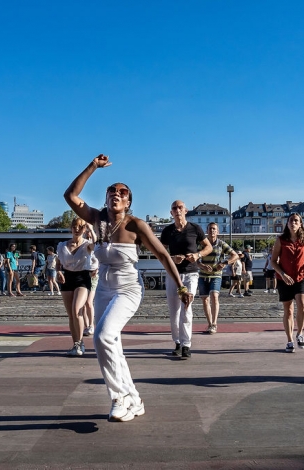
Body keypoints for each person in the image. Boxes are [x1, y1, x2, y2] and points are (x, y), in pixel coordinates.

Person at [64, 154, 193, 422]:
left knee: (102, 335)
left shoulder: (136, 225)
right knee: (109, 344)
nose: (117, 193)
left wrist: (181, 288)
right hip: (104, 288)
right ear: (106, 197)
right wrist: (93, 166)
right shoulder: (97, 219)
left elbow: (163, 256)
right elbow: (71, 196)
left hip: (128, 288)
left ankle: (119, 397)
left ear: (128, 202)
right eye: (112, 190)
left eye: (123, 192)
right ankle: (134, 399)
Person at [161, 200, 213, 359]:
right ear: (171, 213)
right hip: (173, 274)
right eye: (174, 208)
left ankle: (186, 344)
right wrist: (172, 258)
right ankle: (177, 342)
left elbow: (208, 247)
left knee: (186, 308)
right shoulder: (167, 231)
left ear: (185, 210)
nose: (177, 210)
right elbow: (160, 252)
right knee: (174, 311)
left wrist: (197, 255)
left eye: (180, 207)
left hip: (191, 273)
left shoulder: (194, 229)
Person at [270, 213, 304, 353]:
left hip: (301, 276)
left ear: (300, 224)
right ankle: (290, 340)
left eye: (296, 221)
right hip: (284, 279)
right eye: (291, 221)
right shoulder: (280, 240)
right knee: (288, 310)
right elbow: (273, 261)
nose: (293, 223)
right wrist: (282, 274)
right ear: (287, 223)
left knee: (302, 304)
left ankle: (300, 333)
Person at [56, 217, 94, 356]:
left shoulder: (87, 244)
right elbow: (58, 263)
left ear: (84, 229)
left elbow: (97, 245)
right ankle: (76, 343)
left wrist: (91, 229)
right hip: (67, 278)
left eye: (80, 227)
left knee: (77, 309)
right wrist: (58, 271)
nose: (77, 229)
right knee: (71, 315)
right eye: (74, 227)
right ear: (71, 228)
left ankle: (81, 343)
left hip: (82, 278)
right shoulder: (62, 245)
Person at [197, 222, 238, 334]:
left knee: (214, 296)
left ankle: (214, 323)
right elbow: (195, 259)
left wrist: (224, 263)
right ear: (207, 231)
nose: (212, 231)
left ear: (218, 231)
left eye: (214, 229)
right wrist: (202, 266)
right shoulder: (202, 244)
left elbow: (235, 255)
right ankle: (209, 323)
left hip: (216, 274)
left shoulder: (221, 244)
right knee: (205, 299)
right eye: (210, 229)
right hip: (203, 275)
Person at [83, 224, 98, 336]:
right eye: (86, 230)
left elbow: (96, 244)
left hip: (93, 274)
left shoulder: (96, 246)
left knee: (89, 302)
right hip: (83, 273)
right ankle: (86, 325)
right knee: (83, 303)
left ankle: (91, 325)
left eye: (89, 231)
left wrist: (92, 230)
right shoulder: (83, 243)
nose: (88, 232)